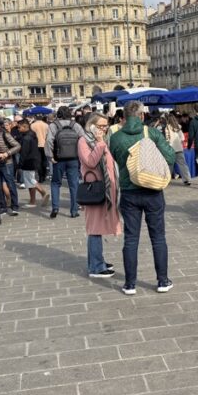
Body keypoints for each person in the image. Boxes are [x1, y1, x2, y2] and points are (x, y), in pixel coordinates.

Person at [108, 101, 177, 296]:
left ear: (123, 117)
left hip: (129, 193)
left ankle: (130, 284)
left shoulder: (116, 137)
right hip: (153, 191)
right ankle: (162, 281)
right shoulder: (152, 133)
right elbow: (171, 157)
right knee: (158, 237)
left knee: (131, 239)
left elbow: (114, 160)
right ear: (141, 116)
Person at [78, 113, 121, 279]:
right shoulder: (84, 140)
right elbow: (90, 162)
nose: (105, 128)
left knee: (97, 227)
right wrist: (100, 143)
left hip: (105, 188)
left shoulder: (97, 140)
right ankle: (96, 267)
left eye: (106, 125)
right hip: (95, 190)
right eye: (102, 126)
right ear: (92, 125)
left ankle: (97, 261)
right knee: (95, 228)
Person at [45, 107, 85, 219]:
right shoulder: (75, 125)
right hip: (73, 158)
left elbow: (49, 141)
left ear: (58, 114)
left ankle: (55, 208)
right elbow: (83, 139)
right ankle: (74, 211)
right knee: (74, 184)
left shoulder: (53, 125)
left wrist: (50, 156)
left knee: (55, 183)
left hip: (58, 159)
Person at [16, 118, 49, 207]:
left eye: (19, 128)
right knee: (29, 181)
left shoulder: (26, 138)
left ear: (24, 126)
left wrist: (20, 164)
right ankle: (32, 201)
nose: (18, 129)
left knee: (30, 180)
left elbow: (24, 152)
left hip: (29, 161)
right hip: (34, 159)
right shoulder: (32, 134)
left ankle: (42, 193)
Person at [0, 118, 21, 216]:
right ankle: (3, 207)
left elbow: (17, 146)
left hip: (7, 163)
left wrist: (6, 153)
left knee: (10, 184)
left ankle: (15, 206)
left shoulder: (4, 134)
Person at [163, 114, 192, 186]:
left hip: (170, 149)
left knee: (169, 165)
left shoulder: (167, 128)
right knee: (183, 164)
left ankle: (167, 180)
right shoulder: (178, 127)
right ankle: (187, 179)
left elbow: (167, 139)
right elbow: (182, 138)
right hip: (179, 148)